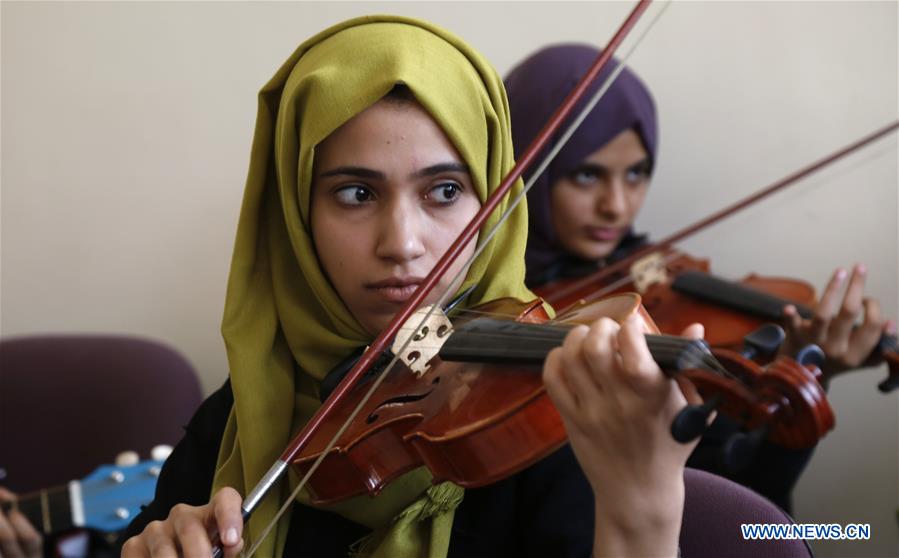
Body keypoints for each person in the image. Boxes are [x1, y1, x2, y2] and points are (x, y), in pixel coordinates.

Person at [119, 16, 702, 558]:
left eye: (444, 191)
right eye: (356, 193)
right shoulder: (247, 405)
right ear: (295, 216)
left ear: (493, 194)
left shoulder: (559, 414)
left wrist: (641, 517)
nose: (402, 244)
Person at [504, 43, 893, 511]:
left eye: (636, 174)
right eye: (587, 176)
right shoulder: (491, 297)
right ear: (525, 163)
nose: (618, 206)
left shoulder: (656, 276)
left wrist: (803, 377)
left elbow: (738, 507)